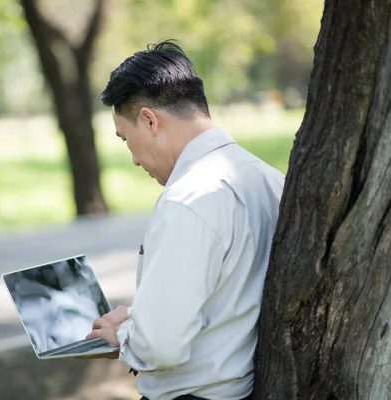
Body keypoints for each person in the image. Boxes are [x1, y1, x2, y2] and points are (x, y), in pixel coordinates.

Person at [83, 40, 285, 400]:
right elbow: (228, 296)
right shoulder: (270, 178)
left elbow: (160, 345)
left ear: (149, 120)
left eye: (125, 138)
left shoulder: (188, 199)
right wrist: (138, 315)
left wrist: (124, 335)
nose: (132, 158)